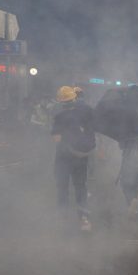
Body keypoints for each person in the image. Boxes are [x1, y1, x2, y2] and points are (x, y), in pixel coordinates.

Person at [51, 86, 96, 231]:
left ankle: (63, 219)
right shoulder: (87, 111)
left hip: (64, 157)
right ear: (74, 98)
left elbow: (56, 138)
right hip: (81, 157)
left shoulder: (60, 116)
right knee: (80, 187)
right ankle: (84, 220)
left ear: (61, 101)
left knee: (62, 187)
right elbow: (93, 130)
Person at [118, 132, 138, 211]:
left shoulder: (127, 130)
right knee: (134, 185)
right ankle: (134, 205)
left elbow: (121, 146)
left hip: (131, 161)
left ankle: (132, 205)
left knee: (126, 184)